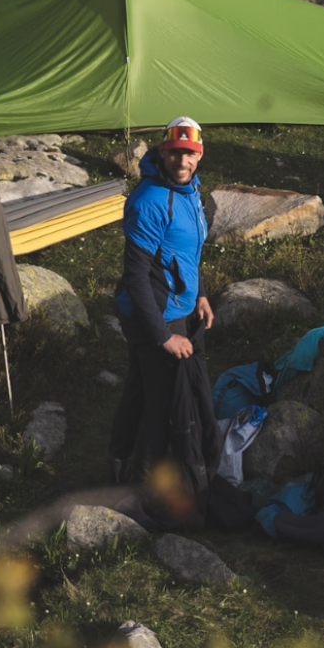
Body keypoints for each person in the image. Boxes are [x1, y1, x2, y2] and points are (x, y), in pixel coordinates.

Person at [108, 116, 216, 487]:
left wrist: (200, 293)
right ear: (163, 152)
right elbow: (136, 276)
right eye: (174, 153)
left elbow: (186, 252)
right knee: (160, 406)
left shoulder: (189, 191)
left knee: (140, 391)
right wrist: (163, 336)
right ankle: (144, 487)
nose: (182, 162)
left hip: (170, 309)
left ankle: (119, 462)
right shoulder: (151, 201)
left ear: (199, 155)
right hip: (154, 314)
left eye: (189, 154)